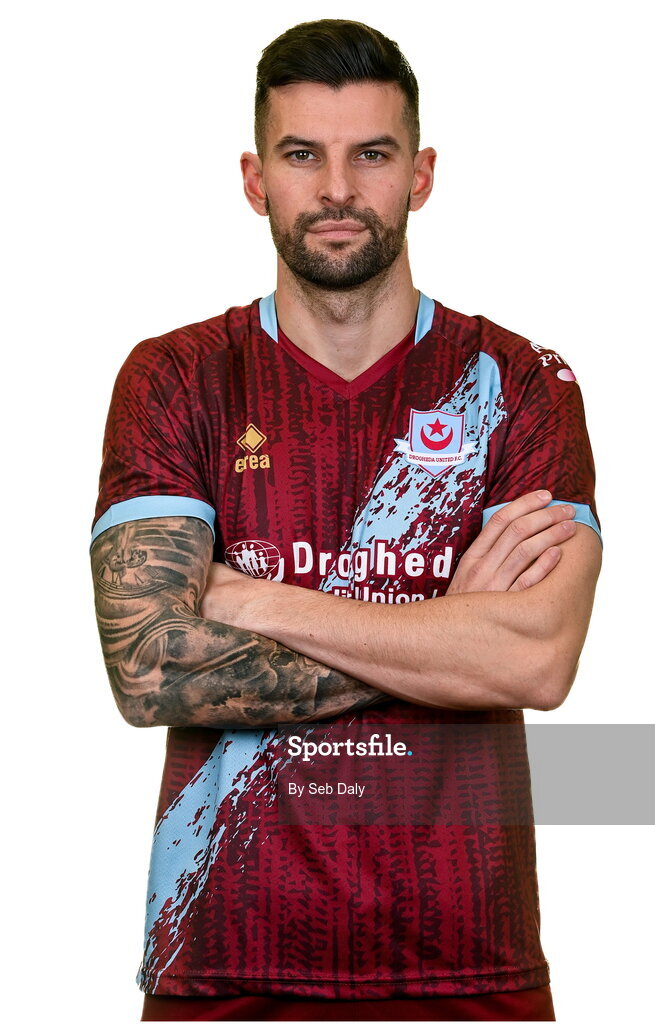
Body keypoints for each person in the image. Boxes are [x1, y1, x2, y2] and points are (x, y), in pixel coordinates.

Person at [90, 18, 601, 1022]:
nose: (335, 189)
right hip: (224, 961)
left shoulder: (522, 384)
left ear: (420, 175)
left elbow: (536, 663)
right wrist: (449, 637)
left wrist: (252, 597)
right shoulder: (176, 377)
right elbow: (149, 668)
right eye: (301, 156)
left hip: (470, 965)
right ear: (253, 179)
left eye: (370, 155)